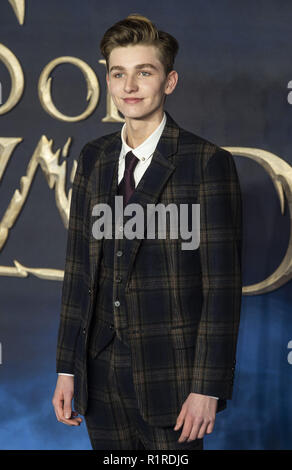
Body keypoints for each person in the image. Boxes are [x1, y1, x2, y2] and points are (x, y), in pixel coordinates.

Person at [52, 13, 242, 450]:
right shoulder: (94, 158)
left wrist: (207, 386)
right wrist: (67, 368)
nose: (129, 86)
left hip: (172, 379)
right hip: (98, 376)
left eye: (144, 72)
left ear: (169, 82)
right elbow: (79, 271)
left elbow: (221, 287)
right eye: (119, 73)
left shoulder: (205, 162)